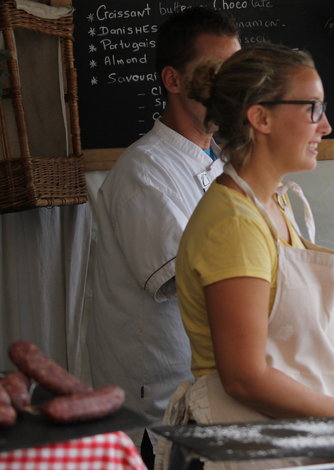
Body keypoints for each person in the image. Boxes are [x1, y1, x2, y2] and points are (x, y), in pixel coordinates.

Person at [163, 43, 334, 469]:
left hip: (287, 432)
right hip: (250, 444)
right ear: (260, 117)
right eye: (312, 109)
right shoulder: (234, 225)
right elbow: (245, 378)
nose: (326, 126)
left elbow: (280, 352)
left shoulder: (274, 202)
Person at [88, 6, 240, 460]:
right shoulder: (145, 171)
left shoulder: (218, 163)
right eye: (214, 74)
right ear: (173, 80)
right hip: (160, 406)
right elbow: (205, 284)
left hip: (206, 395)